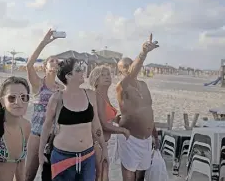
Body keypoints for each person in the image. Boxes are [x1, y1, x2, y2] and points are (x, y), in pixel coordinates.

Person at [39, 58, 108, 181]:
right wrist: (40, 152)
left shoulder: (90, 95)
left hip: (88, 156)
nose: (82, 71)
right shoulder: (57, 98)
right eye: (78, 69)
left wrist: (104, 148)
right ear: (68, 76)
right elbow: (46, 126)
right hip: (62, 157)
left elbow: (96, 124)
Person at [115, 34, 159, 181]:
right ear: (121, 71)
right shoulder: (121, 87)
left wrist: (155, 134)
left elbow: (149, 111)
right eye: (124, 67)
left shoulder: (144, 85)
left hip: (146, 139)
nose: (128, 68)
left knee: (141, 178)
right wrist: (143, 53)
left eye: (130, 64)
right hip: (130, 138)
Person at [25, 29, 63, 181]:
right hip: (37, 133)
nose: (55, 63)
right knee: (29, 174)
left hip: (55, 137)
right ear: (45, 66)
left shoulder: (62, 88)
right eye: (51, 61)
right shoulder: (38, 84)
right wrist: (44, 42)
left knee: (50, 175)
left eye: (57, 61)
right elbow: (29, 65)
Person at [88, 65, 131, 181]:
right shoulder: (98, 96)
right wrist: (123, 130)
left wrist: (116, 119)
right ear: (96, 79)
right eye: (103, 75)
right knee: (101, 175)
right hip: (98, 143)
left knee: (103, 174)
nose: (107, 77)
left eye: (108, 74)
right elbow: (102, 123)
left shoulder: (104, 95)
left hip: (106, 143)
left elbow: (106, 119)